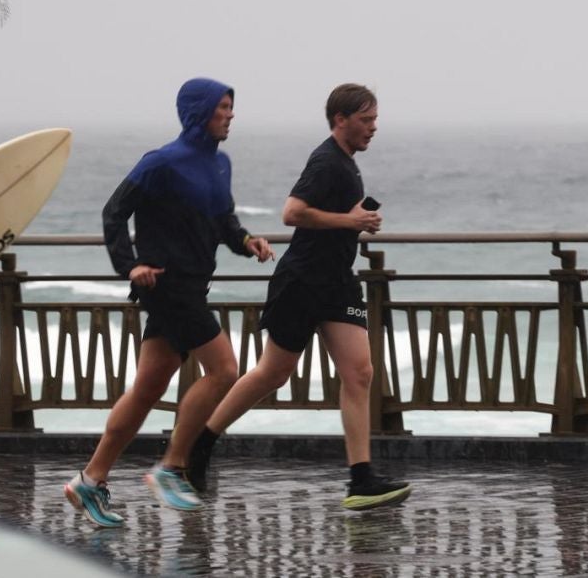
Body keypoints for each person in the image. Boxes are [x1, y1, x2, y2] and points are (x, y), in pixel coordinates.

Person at [179, 83, 411, 511]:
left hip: (339, 283)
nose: (373, 128)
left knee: (359, 372)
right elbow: (292, 212)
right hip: (302, 282)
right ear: (340, 120)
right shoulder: (325, 161)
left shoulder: (347, 164)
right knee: (273, 374)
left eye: (375, 120)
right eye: (365, 120)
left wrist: (355, 222)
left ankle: (360, 478)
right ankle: (202, 442)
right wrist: (348, 219)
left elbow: (333, 220)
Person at [64, 78, 273, 528]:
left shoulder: (219, 165)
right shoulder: (161, 163)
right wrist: (129, 265)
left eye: (232, 106)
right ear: (200, 112)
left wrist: (246, 241)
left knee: (146, 391)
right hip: (166, 284)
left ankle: (90, 478)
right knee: (225, 371)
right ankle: (171, 466)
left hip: (194, 285)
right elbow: (114, 212)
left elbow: (222, 220)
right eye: (222, 107)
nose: (231, 115)